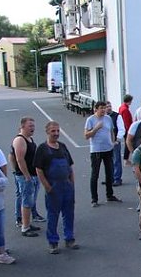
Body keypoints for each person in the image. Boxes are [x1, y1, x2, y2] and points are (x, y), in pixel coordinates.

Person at [34, 121, 78, 254]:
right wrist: (47, 187)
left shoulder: (63, 147)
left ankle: (69, 238)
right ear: (47, 132)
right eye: (53, 131)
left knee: (69, 214)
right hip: (53, 186)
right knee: (53, 215)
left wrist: (72, 184)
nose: (56, 133)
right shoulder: (42, 149)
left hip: (67, 185)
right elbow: (39, 170)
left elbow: (70, 166)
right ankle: (53, 242)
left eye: (58, 131)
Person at [84, 101, 121, 207]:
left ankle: (110, 195)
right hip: (96, 150)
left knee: (109, 173)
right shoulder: (90, 120)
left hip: (108, 149)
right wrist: (96, 128)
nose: (103, 110)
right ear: (96, 109)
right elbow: (86, 135)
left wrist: (113, 142)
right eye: (101, 108)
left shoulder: (108, 118)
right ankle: (94, 199)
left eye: (104, 108)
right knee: (95, 174)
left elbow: (111, 131)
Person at [9, 117, 42, 237]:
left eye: (33, 126)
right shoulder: (20, 140)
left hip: (33, 174)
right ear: (22, 126)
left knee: (30, 200)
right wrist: (26, 176)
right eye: (30, 126)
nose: (33, 128)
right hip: (26, 177)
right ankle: (25, 227)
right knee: (26, 201)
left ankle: (26, 222)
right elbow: (19, 159)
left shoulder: (29, 139)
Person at [106, 101, 124, 186]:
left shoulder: (117, 116)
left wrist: (118, 139)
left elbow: (121, 129)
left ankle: (117, 178)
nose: (109, 108)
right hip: (106, 143)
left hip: (115, 142)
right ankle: (110, 178)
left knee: (116, 160)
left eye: (110, 106)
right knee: (108, 161)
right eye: (107, 107)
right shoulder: (103, 117)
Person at [118, 94, 134, 163]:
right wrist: (130, 130)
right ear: (129, 101)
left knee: (127, 143)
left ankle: (126, 158)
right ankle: (126, 159)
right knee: (128, 143)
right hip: (127, 129)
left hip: (124, 128)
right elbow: (127, 121)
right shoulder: (125, 109)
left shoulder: (121, 107)